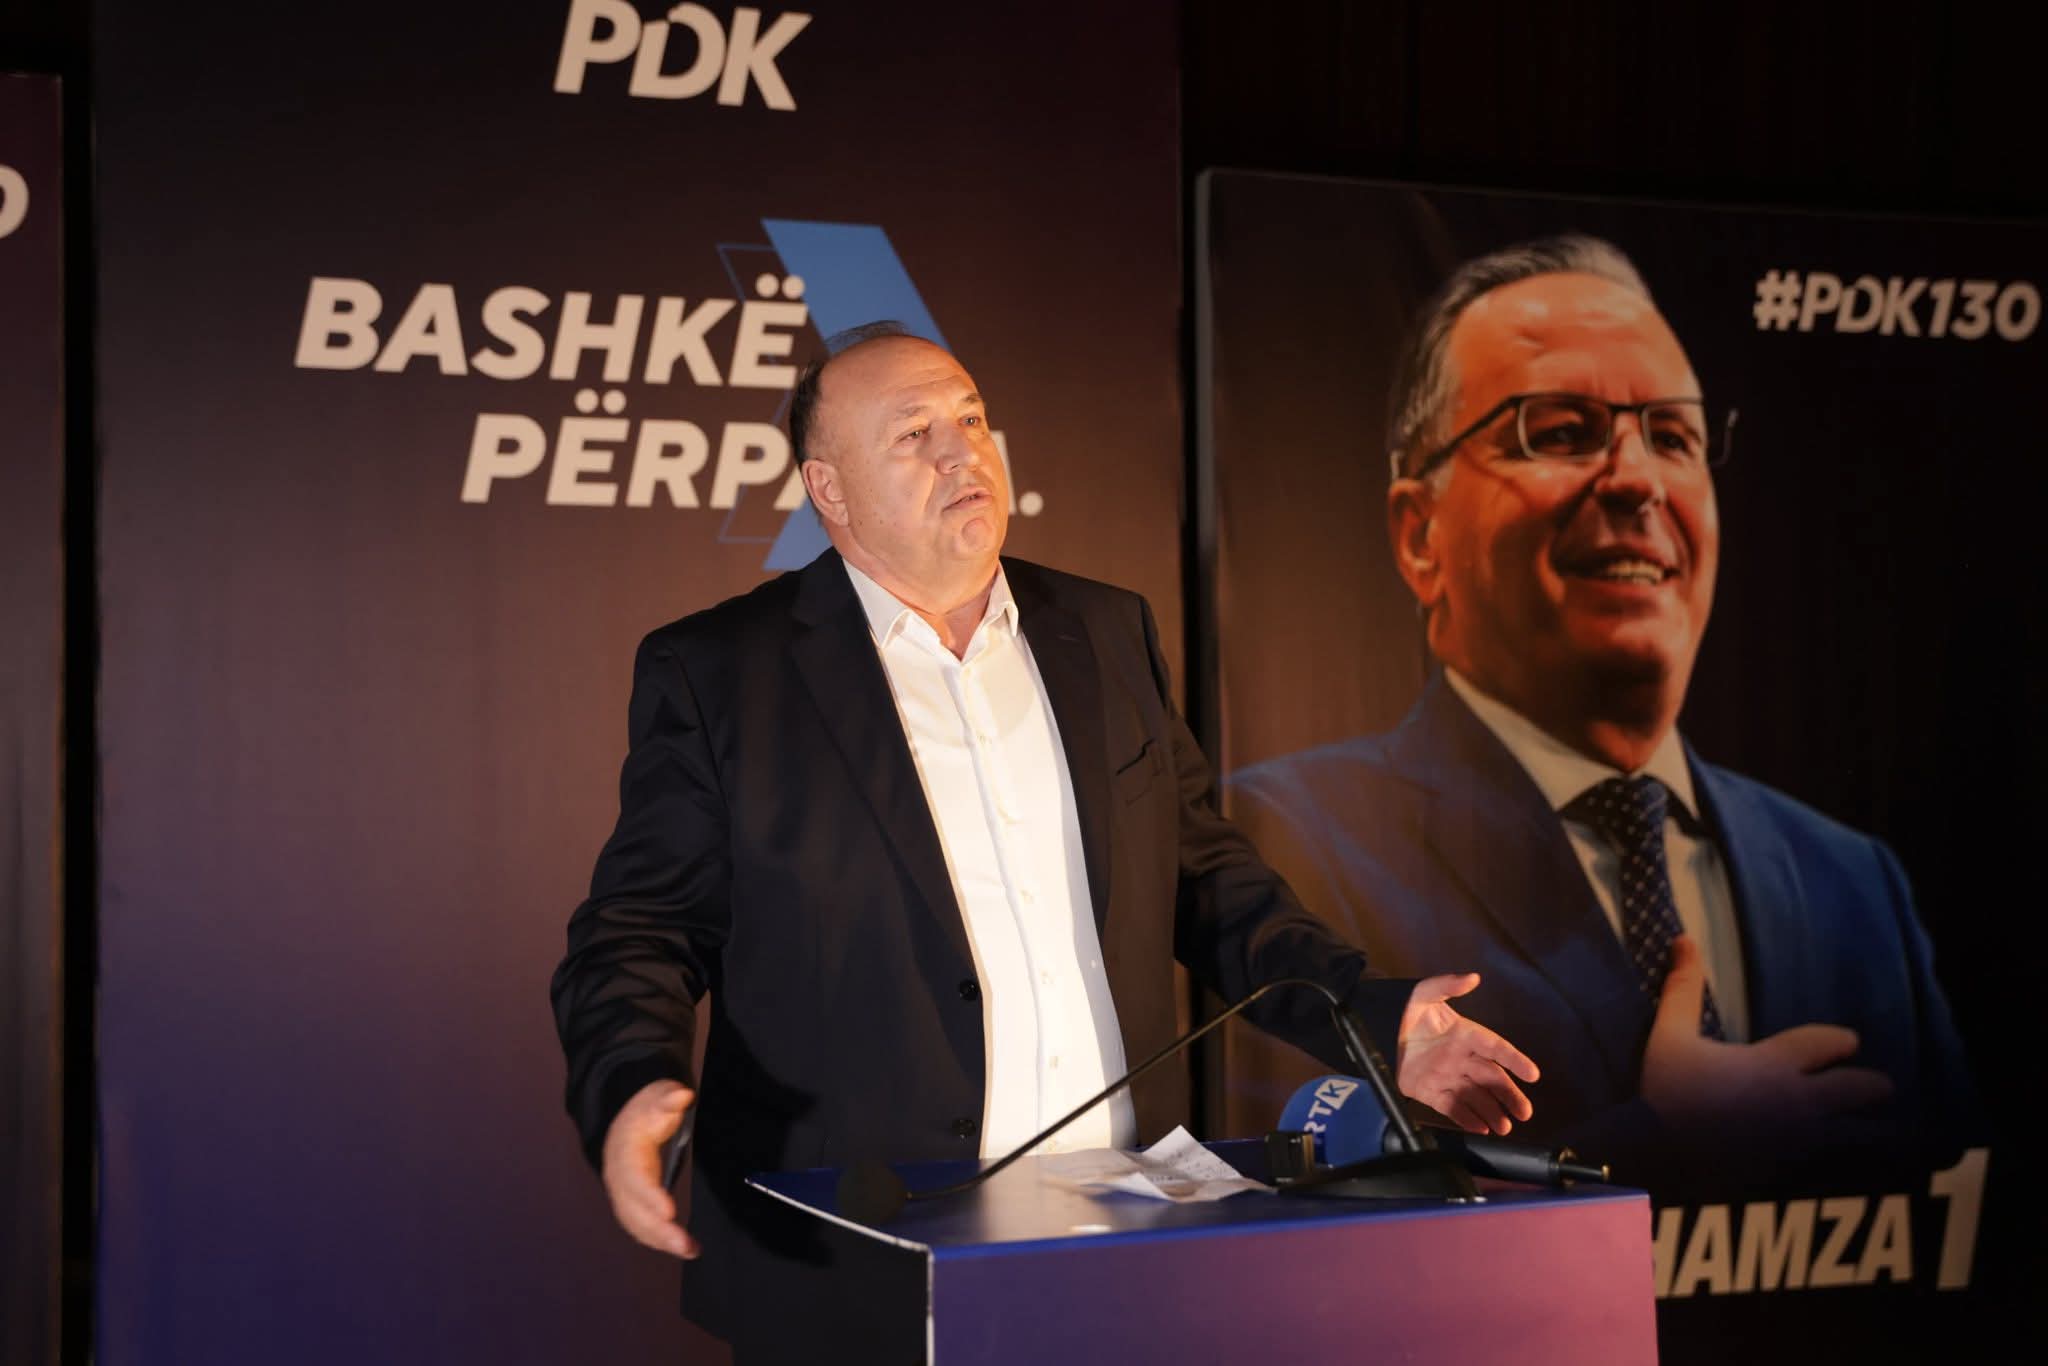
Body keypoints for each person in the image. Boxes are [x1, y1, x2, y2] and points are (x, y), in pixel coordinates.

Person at [551, 322, 1541, 1358]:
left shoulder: (1103, 631)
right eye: (914, 433)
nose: (962, 452)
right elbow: (638, 931)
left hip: (1120, 1235)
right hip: (859, 1246)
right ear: (828, 490)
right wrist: (629, 1088)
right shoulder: (723, 672)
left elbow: (1208, 884)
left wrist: (1377, 1018)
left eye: (972, 418)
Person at [1229, 236, 1975, 1196]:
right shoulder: (1288, 846)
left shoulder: (1855, 881)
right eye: (1561, 430)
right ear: (1420, 534)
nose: (1637, 480)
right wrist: (1663, 1140)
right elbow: (1285, 1197)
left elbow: (1958, 1194)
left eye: (1673, 437)